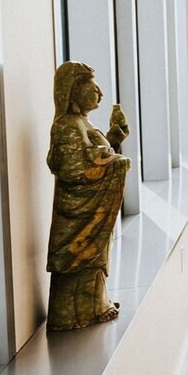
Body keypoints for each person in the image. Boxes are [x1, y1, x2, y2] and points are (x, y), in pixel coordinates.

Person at [46, 61, 132, 330]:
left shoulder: (80, 123)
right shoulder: (67, 126)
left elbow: (91, 156)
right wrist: (110, 160)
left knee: (94, 259)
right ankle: (77, 312)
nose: (100, 93)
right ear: (74, 90)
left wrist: (114, 139)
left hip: (85, 212)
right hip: (77, 214)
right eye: (92, 87)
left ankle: (94, 305)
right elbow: (73, 170)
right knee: (83, 259)